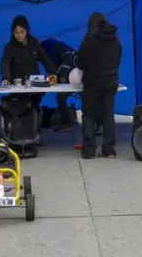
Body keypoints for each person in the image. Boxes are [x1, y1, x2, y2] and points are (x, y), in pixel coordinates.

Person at [74, 12, 122, 159]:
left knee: (88, 114)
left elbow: (79, 63)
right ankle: (109, 149)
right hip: (111, 82)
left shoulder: (88, 41)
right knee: (108, 114)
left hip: (92, 83)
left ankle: (89, 150)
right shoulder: (115, 39)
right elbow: (118, 60)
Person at [0, 16, 56, 85]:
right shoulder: (9, 47)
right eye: (16, 32)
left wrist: (52, 73)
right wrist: (5, 77)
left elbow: (45, 58)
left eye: (22, 32)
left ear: (27, 31)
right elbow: (5, 62)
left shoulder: (34, 43)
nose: (19, 35)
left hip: (34, 83)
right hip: (17, 84)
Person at [40, 37, 78, 132]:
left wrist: (63, 75)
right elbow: (56, 69)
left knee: (86, 99)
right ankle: (67, 122)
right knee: (61, 97)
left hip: (77, 76)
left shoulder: (57, 46)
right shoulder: (53, 49)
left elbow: (69, 58)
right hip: (72, 76)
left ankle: (67, 123)